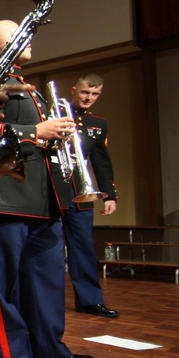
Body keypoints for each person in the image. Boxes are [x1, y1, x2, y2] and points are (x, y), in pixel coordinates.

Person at [0, 20, 97, 358]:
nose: (30, 39)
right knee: (5, 281)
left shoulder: (24, 86)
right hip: (1, 194)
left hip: (40, 196)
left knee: (47, 279)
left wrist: (51, 139)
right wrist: (36, 132)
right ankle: (12, 353)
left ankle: (50, 346)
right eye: (20, 34)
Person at [57, 74, 119, 318]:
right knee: (49, 246)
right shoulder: (56, 115)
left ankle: (90, 301)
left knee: (83, 246)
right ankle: (47, 299)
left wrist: (110, 195)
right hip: (54, 187)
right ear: (75, 89)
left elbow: (102, 162)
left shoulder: (98, 123)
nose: (88, 98)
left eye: (94, 94)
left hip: (81, 190)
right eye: (85, 93)